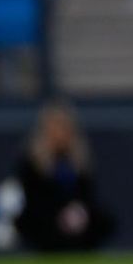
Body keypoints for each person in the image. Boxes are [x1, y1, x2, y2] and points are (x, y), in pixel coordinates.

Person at [13, 101, 115, 251]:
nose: (59, 133)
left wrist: (77, 211)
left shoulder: (79, 159)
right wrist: (60, 213)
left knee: (103, 219)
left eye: (63, 128)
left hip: (77, 213)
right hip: (45, 214)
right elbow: (32, 196)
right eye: (55, 127)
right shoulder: (32, 160)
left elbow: (88, 194)